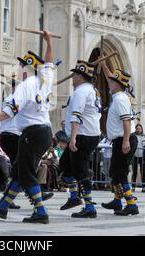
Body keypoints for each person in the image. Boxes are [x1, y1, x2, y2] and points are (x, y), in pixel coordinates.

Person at [0, 31, 55, 224]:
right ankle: (3, 206)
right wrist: (48, 42)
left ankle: (41, 212)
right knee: (19, 170)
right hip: (45, 132)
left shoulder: (26, 85)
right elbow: (49, 62)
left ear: (26, 68)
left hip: (32, 133)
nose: (19, 68)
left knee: (25, 172)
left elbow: (10, 110)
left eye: (21, 65)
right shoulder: (45, 79)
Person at [60, 60, 102, 218]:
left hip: (82, 135)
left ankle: (90, 207)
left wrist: (72, 138)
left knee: (81, 171)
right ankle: (74, 197)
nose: (72, 77)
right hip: (90, 133)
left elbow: (76, 116)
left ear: (81, 76)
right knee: (65, 167)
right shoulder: (92, 90)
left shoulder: (81, 92)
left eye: (75, 74)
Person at [100, 62, 139, 216]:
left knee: (120, 173)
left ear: (118, 84)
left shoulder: (121, 99)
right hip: (120, 139)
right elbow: (110, 78)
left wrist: (125, 141)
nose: (110, 83)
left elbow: (127, 121)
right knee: (115, 172)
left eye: (113, 82)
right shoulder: (118, 96)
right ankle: (117, 201)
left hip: (125, 139)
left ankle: (131, 204)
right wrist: (104, 65)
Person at [132, 124, 145, 191]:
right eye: (137, 128)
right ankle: (133, 186)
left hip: (142, 156)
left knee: (143, 172)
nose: (138, 130)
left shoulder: (144, 137)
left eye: (139, 129)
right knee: (134, 171)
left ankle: (144, 186)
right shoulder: (133, 136)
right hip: (134, 156)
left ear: (141, 129)